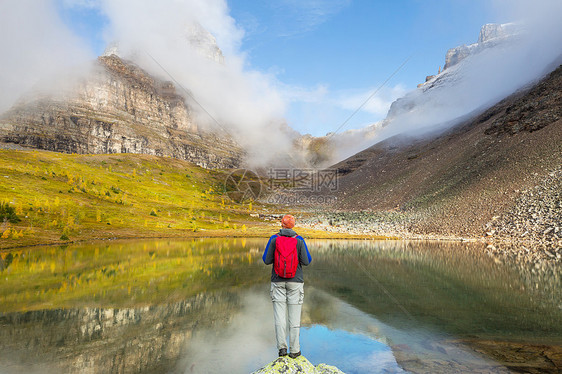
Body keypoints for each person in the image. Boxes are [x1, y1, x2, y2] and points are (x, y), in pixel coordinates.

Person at [262, 214, 312, 359]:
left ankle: (282, 349)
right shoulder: (299, 240)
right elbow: (307, 261)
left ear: (282, 225)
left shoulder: (274, 239)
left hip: (277, 281)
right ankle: (295, 350)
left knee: (279, 317)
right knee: (294, 317)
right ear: (293, 225)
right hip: (296, 282)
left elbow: (266, 260)